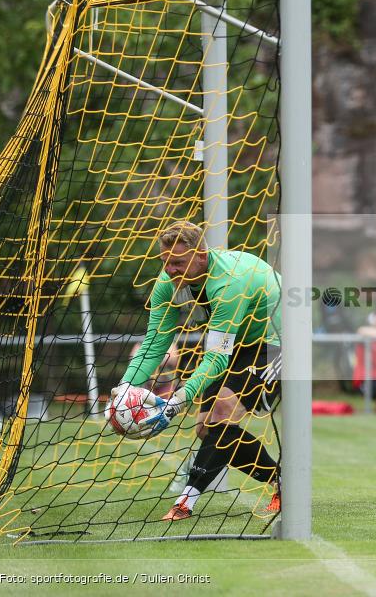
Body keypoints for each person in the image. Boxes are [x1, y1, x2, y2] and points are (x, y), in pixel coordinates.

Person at [110, 221, 282, 521]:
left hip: (276, 340)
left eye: (177, 262)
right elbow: (155, 343)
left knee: (222, 412)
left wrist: (177, 400)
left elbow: (216, 357)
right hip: (235, 343)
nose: (170, 270)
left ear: (201, 256)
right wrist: (125, 387)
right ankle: (282, 481)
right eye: (165, 262)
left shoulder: (228, 283)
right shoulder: (167, 283)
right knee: (205, 428)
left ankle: (185, 502)